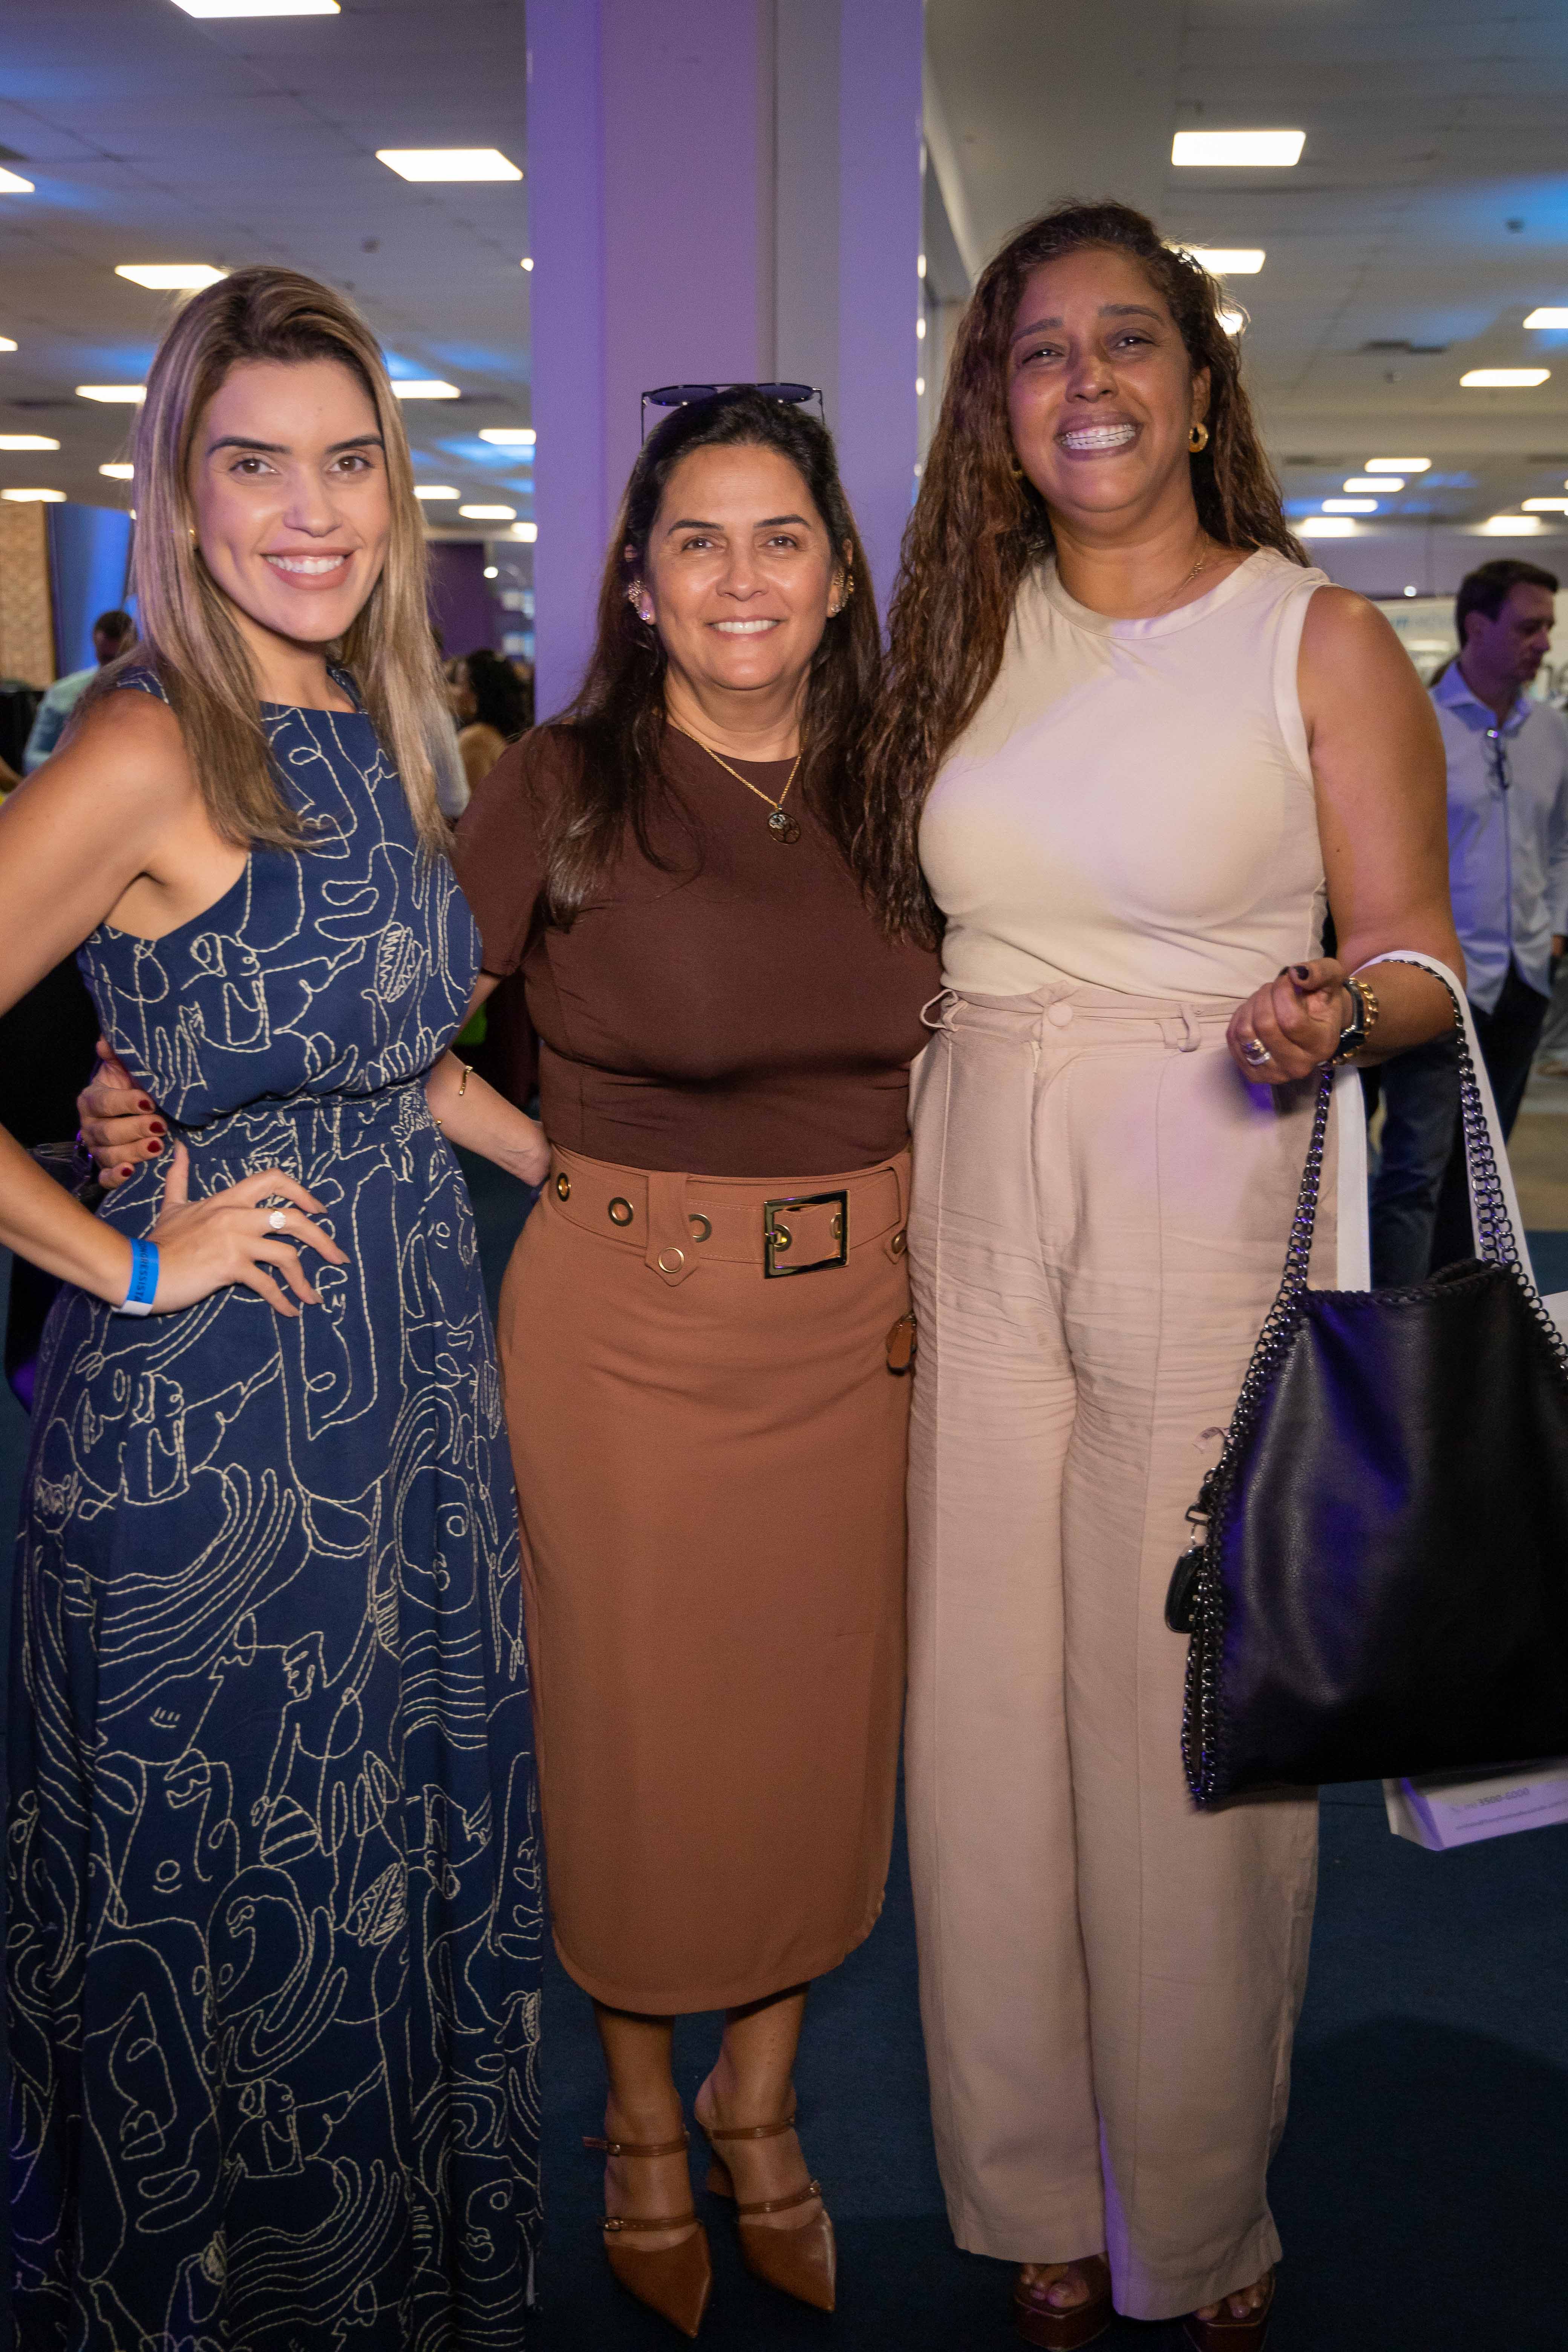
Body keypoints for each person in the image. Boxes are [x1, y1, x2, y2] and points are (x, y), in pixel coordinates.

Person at [859, 201, 1460, 2350]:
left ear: (1199, 388)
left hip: (1210, 1167)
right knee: (989, 1714)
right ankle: (1028, 2188)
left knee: (1186, 1712)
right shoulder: (955, 635)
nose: (1084, 381)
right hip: (978, 1171)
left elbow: (1416, 958)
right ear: (995, 405)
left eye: (1127, 341)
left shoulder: (1310, 637)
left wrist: (1334, 1015)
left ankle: (1192, 2210)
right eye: (1037, 350)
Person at [2, 266, 545, 2344]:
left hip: (397, 1406)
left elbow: (382, 1053)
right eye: (256, 466)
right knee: (245, 1929)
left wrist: (575, 1177)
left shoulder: (370, 720)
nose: (310, 510)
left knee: (382, 1887)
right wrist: (133, 1252)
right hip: (215, 1449)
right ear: (183, 492)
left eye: (348, 461)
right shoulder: (147, 743)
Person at [451, 389, 935, 2335]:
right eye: (699, 543)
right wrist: (550, 1157)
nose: (744, 578)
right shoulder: (557, 784)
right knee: (639, 1735)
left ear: (836, 579)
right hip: (626, 1336)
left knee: (821, 1722)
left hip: (867, 1327)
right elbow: (388, 1017)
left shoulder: (910, 782)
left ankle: (766, 2097)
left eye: (783, 539)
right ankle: (646, 2118)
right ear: (641, 587)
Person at [1369, 559, 1568, 1280]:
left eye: (1547, 626)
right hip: (1437, 986)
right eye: (1529, 626)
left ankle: (1455, 1321)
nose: (1543, 641)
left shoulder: (1548, 732)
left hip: (1520, 982)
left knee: (1482, 1171)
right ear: (1476, 627)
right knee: (1414, 1170)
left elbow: (1561, 842)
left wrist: (1554, 931)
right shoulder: (1414, 727)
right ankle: (1394, 1333)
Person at [20, 606, 135, 769]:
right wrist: (79, 765)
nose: (113, 667)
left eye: (121, 658)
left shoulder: (154, 695)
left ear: (136, 650)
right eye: (107, 658)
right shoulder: (64, 694)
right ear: (96, 647)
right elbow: (32, 758)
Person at [452, 644, 533, 795]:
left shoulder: (474, 740)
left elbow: (473, 808)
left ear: (477, 692)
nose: (456, 692)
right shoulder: (514, 737)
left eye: (461, 684)